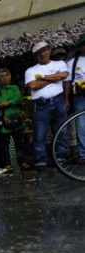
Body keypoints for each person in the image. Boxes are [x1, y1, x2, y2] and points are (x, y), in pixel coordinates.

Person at [25, 41, 70, 170]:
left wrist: (42, 78)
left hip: (58, 101)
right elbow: (32, 85)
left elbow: (64, 75)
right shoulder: (31, 70)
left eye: (45, 50)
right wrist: (53, 77)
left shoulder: (60, 63)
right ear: (35, 56)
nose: (42, 54)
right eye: (39, 53)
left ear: (50, 50)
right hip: (40, 104)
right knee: (40, 134)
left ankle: (60, 157)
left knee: (61, 131)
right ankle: (40, 161)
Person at [0, 68, 25, 173]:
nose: (4, 78)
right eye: (1, 76)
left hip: (16, 118)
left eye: (6, 75)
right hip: (4, 119)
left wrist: (7, 103)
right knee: (4, 144)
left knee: (19, 143)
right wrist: (12, 102)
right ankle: (6, 163)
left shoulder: (15, 87)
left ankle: (22, 161)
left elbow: (18, 98)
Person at [65, 34, 85, 164]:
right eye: (83, 45)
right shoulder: (72, 62)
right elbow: (67, 82)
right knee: (81, 125)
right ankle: (83, 154)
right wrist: (66, 98)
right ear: (79, 47)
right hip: (79, 95)